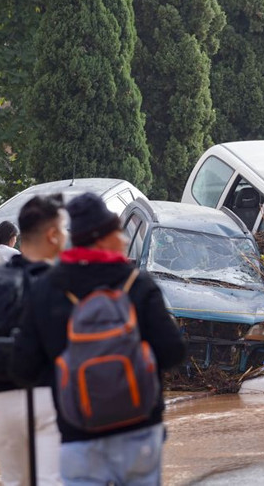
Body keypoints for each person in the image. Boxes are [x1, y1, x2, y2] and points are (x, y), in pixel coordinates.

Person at [11, 192, 187, 486]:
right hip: (139, 431)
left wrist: (65, 373)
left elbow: (22, 368)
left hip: (78, 435)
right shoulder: (138, 285)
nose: (123, 238)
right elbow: (173, 352)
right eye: (117, 230)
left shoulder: (45, 289)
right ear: (102, 237)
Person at [0, 194, 68, 485]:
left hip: (3, 400)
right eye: (62, 231)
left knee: (14, 481)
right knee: (52, 480)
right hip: (50, 398)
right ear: (51, 234)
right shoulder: (60, 283)